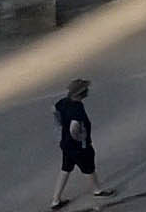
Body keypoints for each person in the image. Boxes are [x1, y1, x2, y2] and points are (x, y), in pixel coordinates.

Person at [51, 78, 111, 206]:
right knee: (89, 168)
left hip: (66, 144)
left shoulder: (63, 102)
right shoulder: (77, 108)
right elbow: (74, 127)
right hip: (79, 147)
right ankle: (97, 190)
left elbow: (54, 110)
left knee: (65, 169)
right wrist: (80, 139)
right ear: (80, 94)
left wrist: (61, 124)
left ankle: (56, 199)